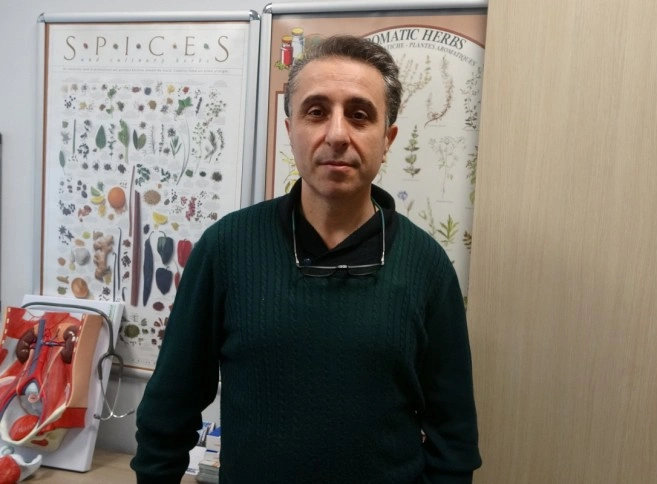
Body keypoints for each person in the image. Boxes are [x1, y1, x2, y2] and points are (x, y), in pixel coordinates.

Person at [131, 34, 481, 483]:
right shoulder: (226, 249)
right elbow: (168, 411)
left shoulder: (427, 267)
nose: (336, 134)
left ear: (387, 138)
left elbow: (454, 440)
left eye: (359, 115)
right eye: (316, 112)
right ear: (290, 128)